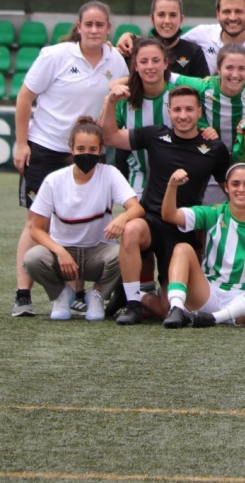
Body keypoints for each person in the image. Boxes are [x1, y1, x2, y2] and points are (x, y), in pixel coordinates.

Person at [11, 0, 129, 317]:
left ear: (108, 29)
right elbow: (25, 97)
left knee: (83, 217)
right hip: (47, 148)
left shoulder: (116, 61)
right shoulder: (55, 56)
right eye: (87, 24)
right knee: (37, 222)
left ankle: (77, 294)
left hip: (89, 151)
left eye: (99, 25)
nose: (93, 30)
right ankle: (23, 294)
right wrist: (21, 143)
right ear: (78, 27)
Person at [99, 85, 230, 325]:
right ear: (169, 112)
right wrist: (110, 102)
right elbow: (109, 136)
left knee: (169, 309)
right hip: (151, 222)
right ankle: (133, 305)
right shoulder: (155, 135)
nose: (183, 115)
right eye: (177, 109)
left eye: (189, 109)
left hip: (183, 229)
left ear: (200, 112)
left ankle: (139, 296)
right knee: (131, 229)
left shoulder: (215, 148)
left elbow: (231, 189)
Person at [24, 117, 142, 321]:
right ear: (71, 149)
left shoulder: (110, 174)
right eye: (80, 148)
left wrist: (122, 219)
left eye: (92, 149)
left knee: (124, 253)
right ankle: (61, 295)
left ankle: (97, 295)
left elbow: (136, 208)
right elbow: (36, 229)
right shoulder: (54, 180)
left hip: (99, 252)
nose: (86, 154)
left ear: (101, 149)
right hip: (64, 253)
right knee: (33, 259)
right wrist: (59, 251)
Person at [158, 163, 245, 328]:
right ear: (226, 187)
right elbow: (169, 215)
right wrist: (172, 185)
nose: (241, 189)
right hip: (208, 293)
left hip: (244, 302)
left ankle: (214, 318)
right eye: (235, 184)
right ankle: (176, 308)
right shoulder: (214, 213)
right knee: (182, 248)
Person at [174, 43, 245, 203]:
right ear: (218, 68)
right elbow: (165, 76)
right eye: (229, 67)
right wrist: (201, 127)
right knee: (208, 217)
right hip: (212, 164)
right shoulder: (205, 87)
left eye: (241, 68)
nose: (235, 74)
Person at [115, 37, 173, 194]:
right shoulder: (124, 98)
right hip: (139, 177)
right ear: (135, 66)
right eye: (144, 61)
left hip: (177, 177)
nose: (150, 67)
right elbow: (108, 134)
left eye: (156, 61)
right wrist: (109, 102)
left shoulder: (179, 93)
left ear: (165, 63)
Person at [116, 0, 209, 77]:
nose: (167, 21)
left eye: (173, 15)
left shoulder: (194, 52)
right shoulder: (134, 49)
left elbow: (204, 89)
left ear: (181, 19)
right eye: (161, 15)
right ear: (152, 19)